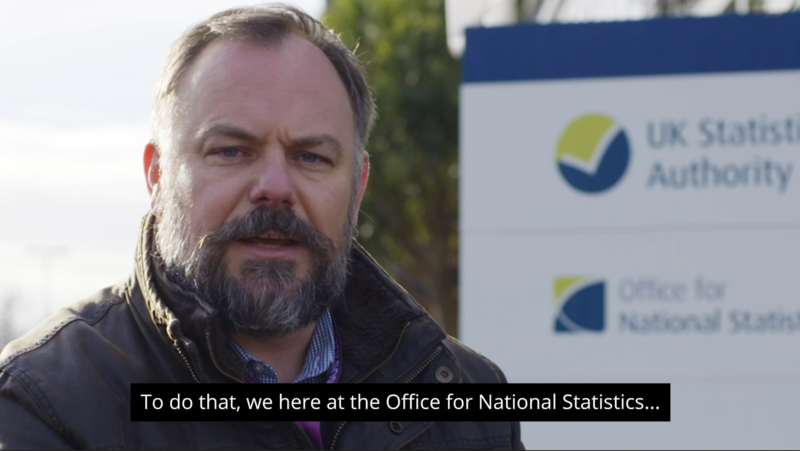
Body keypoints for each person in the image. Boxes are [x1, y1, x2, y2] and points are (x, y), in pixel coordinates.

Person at [0, 4, 522, 449]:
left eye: (312, 156)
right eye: (232, 150)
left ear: (358, 186)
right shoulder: (46, 399)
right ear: (157, 177)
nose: (275, 185)